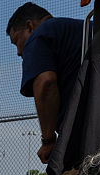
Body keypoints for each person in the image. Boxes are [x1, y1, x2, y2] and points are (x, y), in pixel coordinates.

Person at [7, 3, 84, 166]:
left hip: (81, 134)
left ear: (29, 27)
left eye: (16, 41)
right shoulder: (85, 29)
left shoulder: (40, 35)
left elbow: (45, 83)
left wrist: (48, 140)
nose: (18, 52)